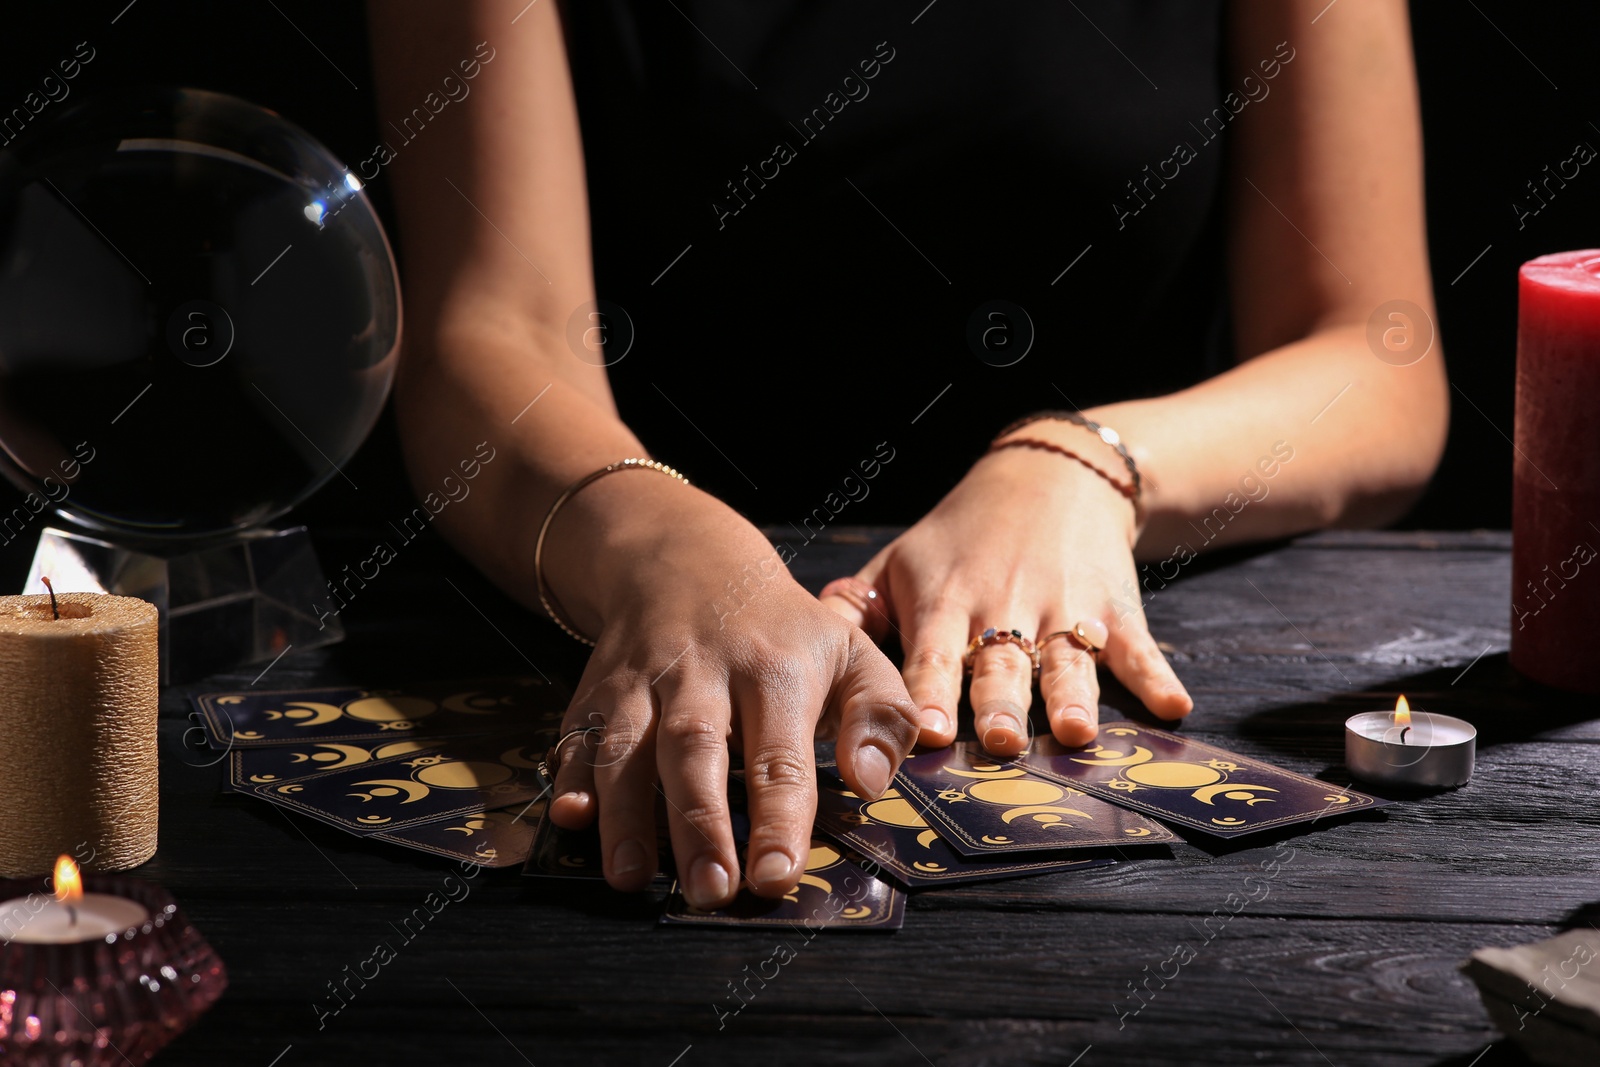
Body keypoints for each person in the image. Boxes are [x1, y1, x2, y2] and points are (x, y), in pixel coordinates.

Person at [368, 0, 1447, 911]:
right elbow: (488, 329)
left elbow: (1375, 359)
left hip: (1119, 653)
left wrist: (1084, 463)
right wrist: (654, 542)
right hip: (592, 589)